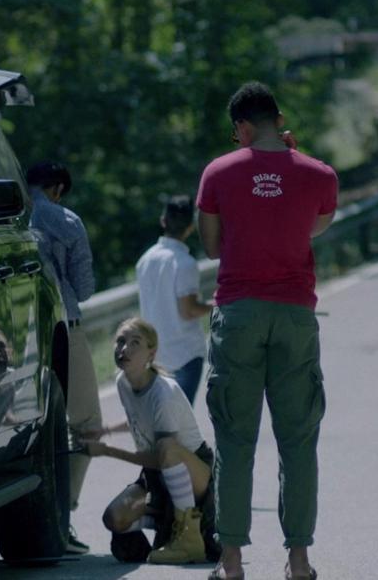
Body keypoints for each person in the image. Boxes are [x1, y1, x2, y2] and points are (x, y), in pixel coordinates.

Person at [196, 81, 338, 580]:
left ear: (241, 127)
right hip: (296, 314)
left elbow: (212, 247)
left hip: (238, 313)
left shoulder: (217, 172)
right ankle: (298, 561)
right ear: (280, 120)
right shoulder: (320, 175)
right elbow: (312, 228)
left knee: (235, 439)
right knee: (298, 440)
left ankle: (232, 562)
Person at [82, 317, 219, 565]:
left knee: (167, 447)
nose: (124, 349)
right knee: (114, 518)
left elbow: (162, 456)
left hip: (194, 473)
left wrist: (107, 451)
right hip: (158, 475)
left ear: (151, 354)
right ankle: (164, 525)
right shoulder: (122, 382)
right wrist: (105, 430)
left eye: (135, 343)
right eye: (120, 342)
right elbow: (139, 419)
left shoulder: (163, 393)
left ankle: (190, 538)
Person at [26, 161, 102, 555]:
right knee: (87, 425)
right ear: (56, 189)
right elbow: (85, 288)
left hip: (19, 334)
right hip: (64, 329)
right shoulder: (66, 220)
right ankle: (62, 518)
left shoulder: (7, 215)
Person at [135, 195, 213, 404]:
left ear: (163, 221)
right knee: (179, 422)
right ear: (191, 226)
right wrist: (215, 304)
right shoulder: (184, 262)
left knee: (161, 421)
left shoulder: (144, 260)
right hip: (185, 355)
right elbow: (188, 310)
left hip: (155, 355)